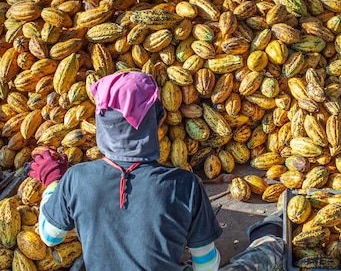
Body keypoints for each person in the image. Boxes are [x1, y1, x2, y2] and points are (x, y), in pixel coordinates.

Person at [29, 71, 223, 271]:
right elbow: (207, 266)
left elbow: (49, 236)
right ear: (158, 122)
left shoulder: (76, 178)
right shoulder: (185, 185)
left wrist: (53, 181)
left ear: (101, 125)